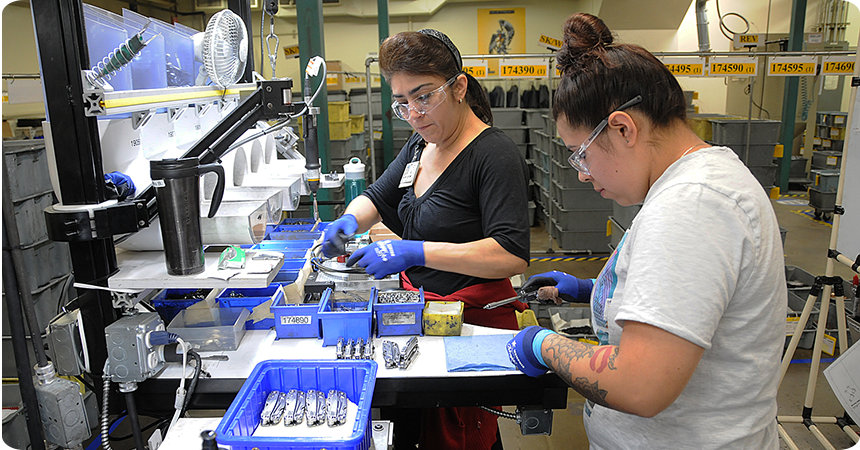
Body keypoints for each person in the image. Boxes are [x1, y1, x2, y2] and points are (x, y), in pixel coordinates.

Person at [507, 13, 786, 449]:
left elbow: (639, 384)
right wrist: (588, 289)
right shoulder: (698, 182)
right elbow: (694, 299)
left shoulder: (692, 205)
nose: (580, 173)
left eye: (579, 154)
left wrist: (542, 345)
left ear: (622, 128)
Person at [322, 29, 531, 450]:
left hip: (469, 326)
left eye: (423, 96)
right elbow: (378, 196)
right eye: (402, 102)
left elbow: (511, 254)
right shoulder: (422, 146)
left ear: (458, 87)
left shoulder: (493, 154)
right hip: (420, 316)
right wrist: (347, 220)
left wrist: (413, 251)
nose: (414, 113)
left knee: (459, 436)